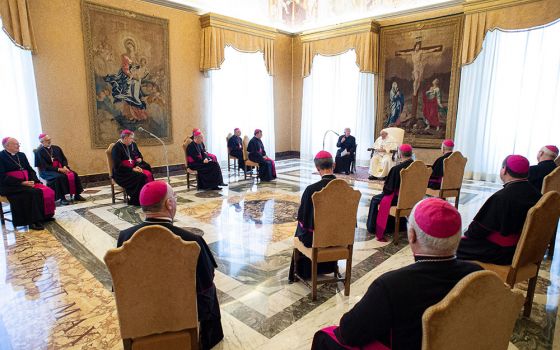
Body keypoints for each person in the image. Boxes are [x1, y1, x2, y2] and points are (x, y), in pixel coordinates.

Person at [311, 198, 482, 350]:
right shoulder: (477, 275)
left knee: (324, 339)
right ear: (459, 236)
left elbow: (349, 333)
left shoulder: (392, 286)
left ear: (412, 235)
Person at [117, 181, 224, 349]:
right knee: (209, 289)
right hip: (180, 315)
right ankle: (208, 339)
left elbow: (121, 286)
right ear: (169, 204)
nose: (175, 200)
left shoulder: (125, 237)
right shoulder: (191, 240)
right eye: (174, 197)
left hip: (142, 314)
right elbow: (206, 281)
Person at [457, 155, 542, 265]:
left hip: (504, 253)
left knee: (449, 247)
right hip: (527, 251)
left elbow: (477, 231)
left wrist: (466, 235)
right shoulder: (537, 194)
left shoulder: (502, 197)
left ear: (505, 170)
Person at [288, 151, 338, 281]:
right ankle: (329, 266)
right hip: (339, 239)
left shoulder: (311, 190)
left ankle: (304, 270)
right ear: (334, 165)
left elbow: (303, 219)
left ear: (317, 168)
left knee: (300, 228)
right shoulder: (346, 189)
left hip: (316, 240)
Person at [0, 137, 55, 230]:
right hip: (9, 186)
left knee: (45, 190)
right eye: (15, 144)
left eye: (18, 143)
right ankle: (32, 221)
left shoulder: (21, 155)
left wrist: (34, 180)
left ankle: (44, 217)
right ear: (7, 146)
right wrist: (21, 182)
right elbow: (2, 176)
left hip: (25, 183)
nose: (18, 145)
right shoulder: (1, 156)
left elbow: (30, 170)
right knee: (32, 193)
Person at [366, 144, 414, 242]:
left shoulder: (397, 169)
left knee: (375, 199)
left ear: (400, 154)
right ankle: (400, 226)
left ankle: (373, 228)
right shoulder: (417, 166)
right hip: (413, 198)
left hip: (399, 199)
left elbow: (388, 190)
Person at [35, 133, 85, 204]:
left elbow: (64, 159)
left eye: (49, 139)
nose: (49, 141)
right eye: (47, 140)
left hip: (61, 168)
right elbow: (44, 166)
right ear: (41, 142)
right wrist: (58, 169)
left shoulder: (56, 148)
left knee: (74, 174)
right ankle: (62, 198)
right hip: (47, 171)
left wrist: (64, 166)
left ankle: (77, 195)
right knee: (60, 177)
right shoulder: (39, 152)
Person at [111, 130, 154, 206]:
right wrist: (132, 169)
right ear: (125, 138)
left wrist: (136, 166)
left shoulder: (130, 145)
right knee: (140, 176)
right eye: (131, 138)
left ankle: (148, 196)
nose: (132, 140)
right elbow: (117, 165)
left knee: (146, 172)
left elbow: (134, 159)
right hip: (121, 172)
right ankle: (136, 200)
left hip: (131, 169)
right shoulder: (116, 148)